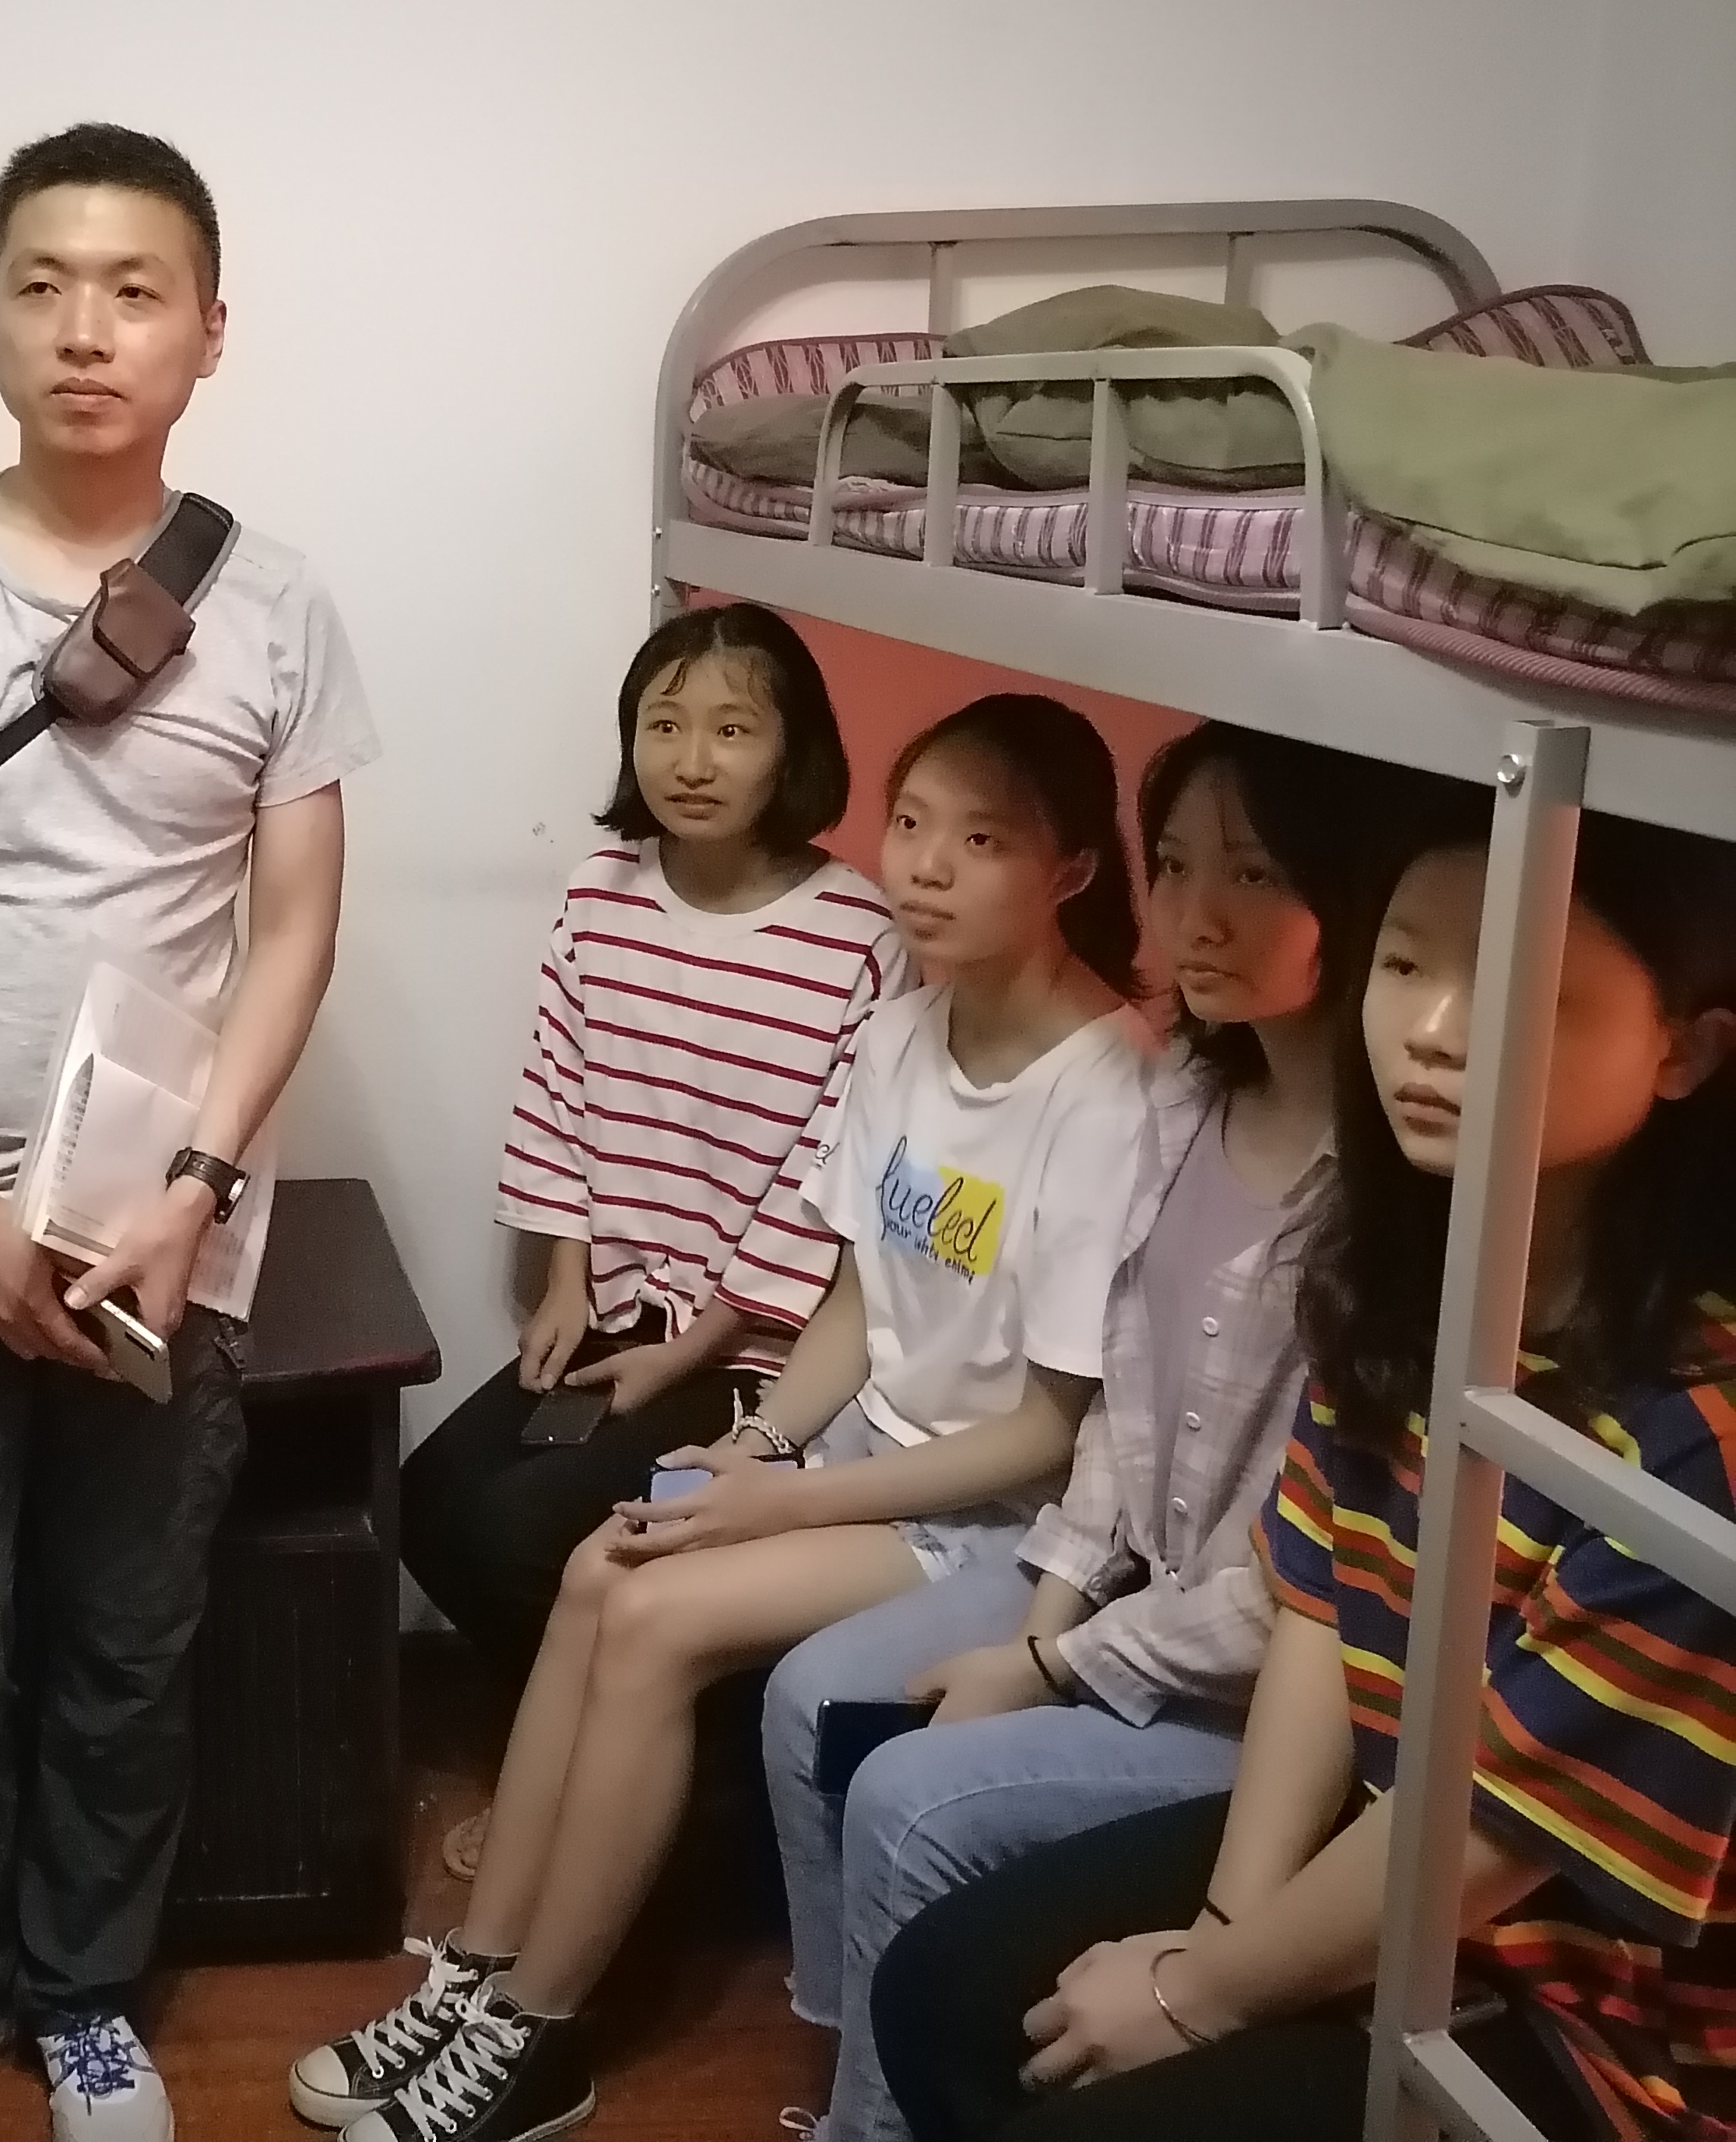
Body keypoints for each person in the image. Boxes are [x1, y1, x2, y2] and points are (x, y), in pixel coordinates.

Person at [292, 694, 1153, 2142]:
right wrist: (758, 1443)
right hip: (861, 1452)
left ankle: (542, 2038)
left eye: (982, 841)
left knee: (655, 1620)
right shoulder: (906, 1031)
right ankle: (476, 1981)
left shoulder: (1109, 1092)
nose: (927, 866)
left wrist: (785, 1497)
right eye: (913, 825)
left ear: (1070, 870)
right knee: (599, 1567)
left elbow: (1050, 1434)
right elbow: (852, 1309)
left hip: (989, 1513)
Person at [0, 122, 376, 2142]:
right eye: (42, 286)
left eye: (133, 291)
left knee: (126, 1639)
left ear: (209, 331)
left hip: (161, 1233)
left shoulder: (275, 606)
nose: (85, 329)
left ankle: (86, 1992)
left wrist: (197, 1192)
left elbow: (295, 928)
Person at [873, 802, 1736, 2142]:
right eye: (1404, 963)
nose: (1433, 1030)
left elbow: (1505, 1826)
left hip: (1600, 2022)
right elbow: (1324, 1607)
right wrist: (1223, 1929)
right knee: (944, 1989)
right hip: (1399, 1851)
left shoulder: (1696, 1437)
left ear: (1683, 1051)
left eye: (1517, 983)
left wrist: (1203, 1995)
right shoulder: (1400, 1290)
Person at [760, 723, 1396, 2142]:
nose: (1196, 916)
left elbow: (1304, 1590)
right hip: (1123, 1615)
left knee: (910, 1797)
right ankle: (851, 2085)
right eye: (1175, 868)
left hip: (1260, 1701)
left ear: (1349, 899)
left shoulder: (1381, 1198)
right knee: (821, 1707)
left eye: (1255, 874)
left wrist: (1055, 1661)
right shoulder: (1185, 1103)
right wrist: (1044, 1632)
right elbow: (1118, 1419)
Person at [400, 601, 909, 1876]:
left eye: (733, 730)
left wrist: (693, 1352)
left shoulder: (859, 938)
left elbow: (823, 1180)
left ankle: (645, 1807)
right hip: (620, 1309)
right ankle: (596, 1772)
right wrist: (565, 1280)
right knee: (436, 1502)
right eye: (664, 725)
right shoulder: (602, 894)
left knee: (529, 1536)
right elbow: (560, 1086)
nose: (692, 760)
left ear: (793, 750)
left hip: (760, 1356)